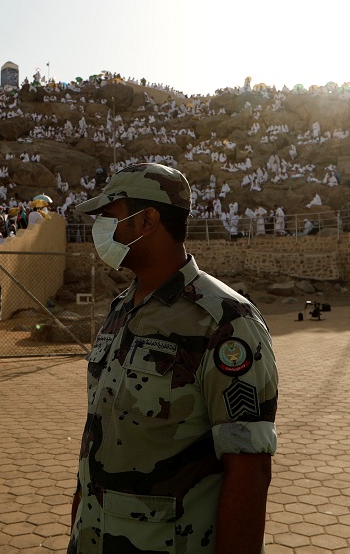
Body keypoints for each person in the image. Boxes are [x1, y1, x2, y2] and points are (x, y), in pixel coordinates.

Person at [69, 163, 279, 553]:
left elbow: (248, 468)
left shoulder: (224, 322)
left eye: (111, 217)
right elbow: (95, 439)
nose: (102, 230)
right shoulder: (122, 307)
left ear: (148, 219)